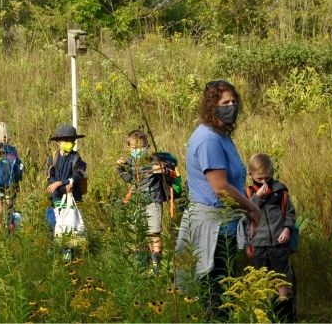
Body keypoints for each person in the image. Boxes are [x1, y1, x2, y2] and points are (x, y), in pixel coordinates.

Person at [174, 80, 261, 319]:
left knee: (225, 291)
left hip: (225, 224)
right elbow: (220, 187)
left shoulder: (220, 135)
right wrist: (253, 208)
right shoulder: (208, 139)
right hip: (212, 228)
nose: (231, 106)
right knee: (215, 293)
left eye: (234, 101)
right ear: (211, 106)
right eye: (225, 102)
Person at [245, 153, 296, 321]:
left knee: (281, 278)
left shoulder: (280, 190)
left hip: (278, 243)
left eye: (268, 178)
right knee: (263, 281)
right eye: (260, 179)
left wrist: (287, 229)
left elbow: (289, 212)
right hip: (258, 244)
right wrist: (258, 197)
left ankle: (285, 315)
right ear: (250, 175)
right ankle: (269, 315)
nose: (264, 183)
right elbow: (247, 214)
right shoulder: (248, 193)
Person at [116, 129, 165, 273]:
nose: (138, 150)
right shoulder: (130, 161)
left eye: (141, 147)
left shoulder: (153, 159)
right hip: (138, 201)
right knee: (139, 233)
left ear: (147, 146)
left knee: (154, 233)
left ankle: (157, 267)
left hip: (153, 200)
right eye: (134, 147)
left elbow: (166, 167)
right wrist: (120, 169)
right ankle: (142, 264)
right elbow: (130, 180)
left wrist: (161, 169)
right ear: (129, 147)